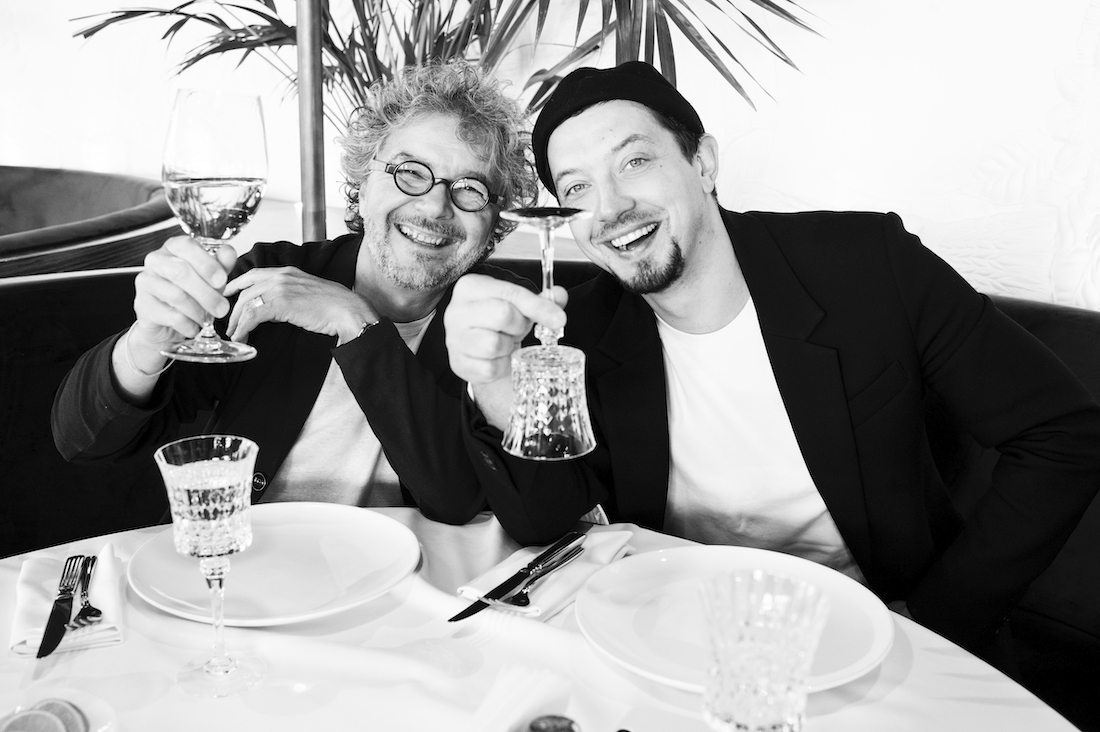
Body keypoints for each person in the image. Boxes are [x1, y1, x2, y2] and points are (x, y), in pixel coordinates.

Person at [443, 61, 1100, 659]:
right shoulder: (576, 328)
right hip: (673, 637)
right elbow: (549, 528)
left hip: (876, 636)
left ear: (703, 163)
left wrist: (933, 619)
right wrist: (495, 384)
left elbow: (1064, 436)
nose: (610, 207)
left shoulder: (868, 265)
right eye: (578, 188)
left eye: (635, 161)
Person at [52, 60, 537, 523]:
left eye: (470, 189)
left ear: (495, 219)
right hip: (243, 561)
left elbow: (456, 497)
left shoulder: (506, 320)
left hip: (411, 574)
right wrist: (146, 342)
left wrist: (357, 325)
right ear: (364, 181)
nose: (434, 206)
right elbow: (84, 440)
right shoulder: (271, 276)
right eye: (410, 172)